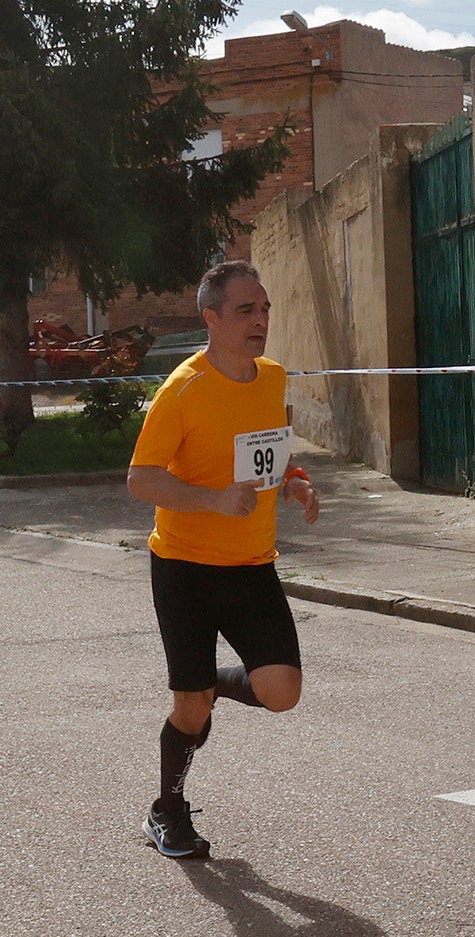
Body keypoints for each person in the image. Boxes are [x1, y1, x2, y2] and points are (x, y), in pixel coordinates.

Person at [127, 259, 320, 859]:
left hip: (252, 566)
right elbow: (140, 480)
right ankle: (168, 811)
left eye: (264, 308)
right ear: (211, 318)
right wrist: (211, 498)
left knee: (282, 691)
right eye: (246, 310)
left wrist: (294, 478)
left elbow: (267, 451)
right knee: (189, 709)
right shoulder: (182, 390)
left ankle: (210, 686)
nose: (261, 320)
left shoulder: (273, 377)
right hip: (185, 569)